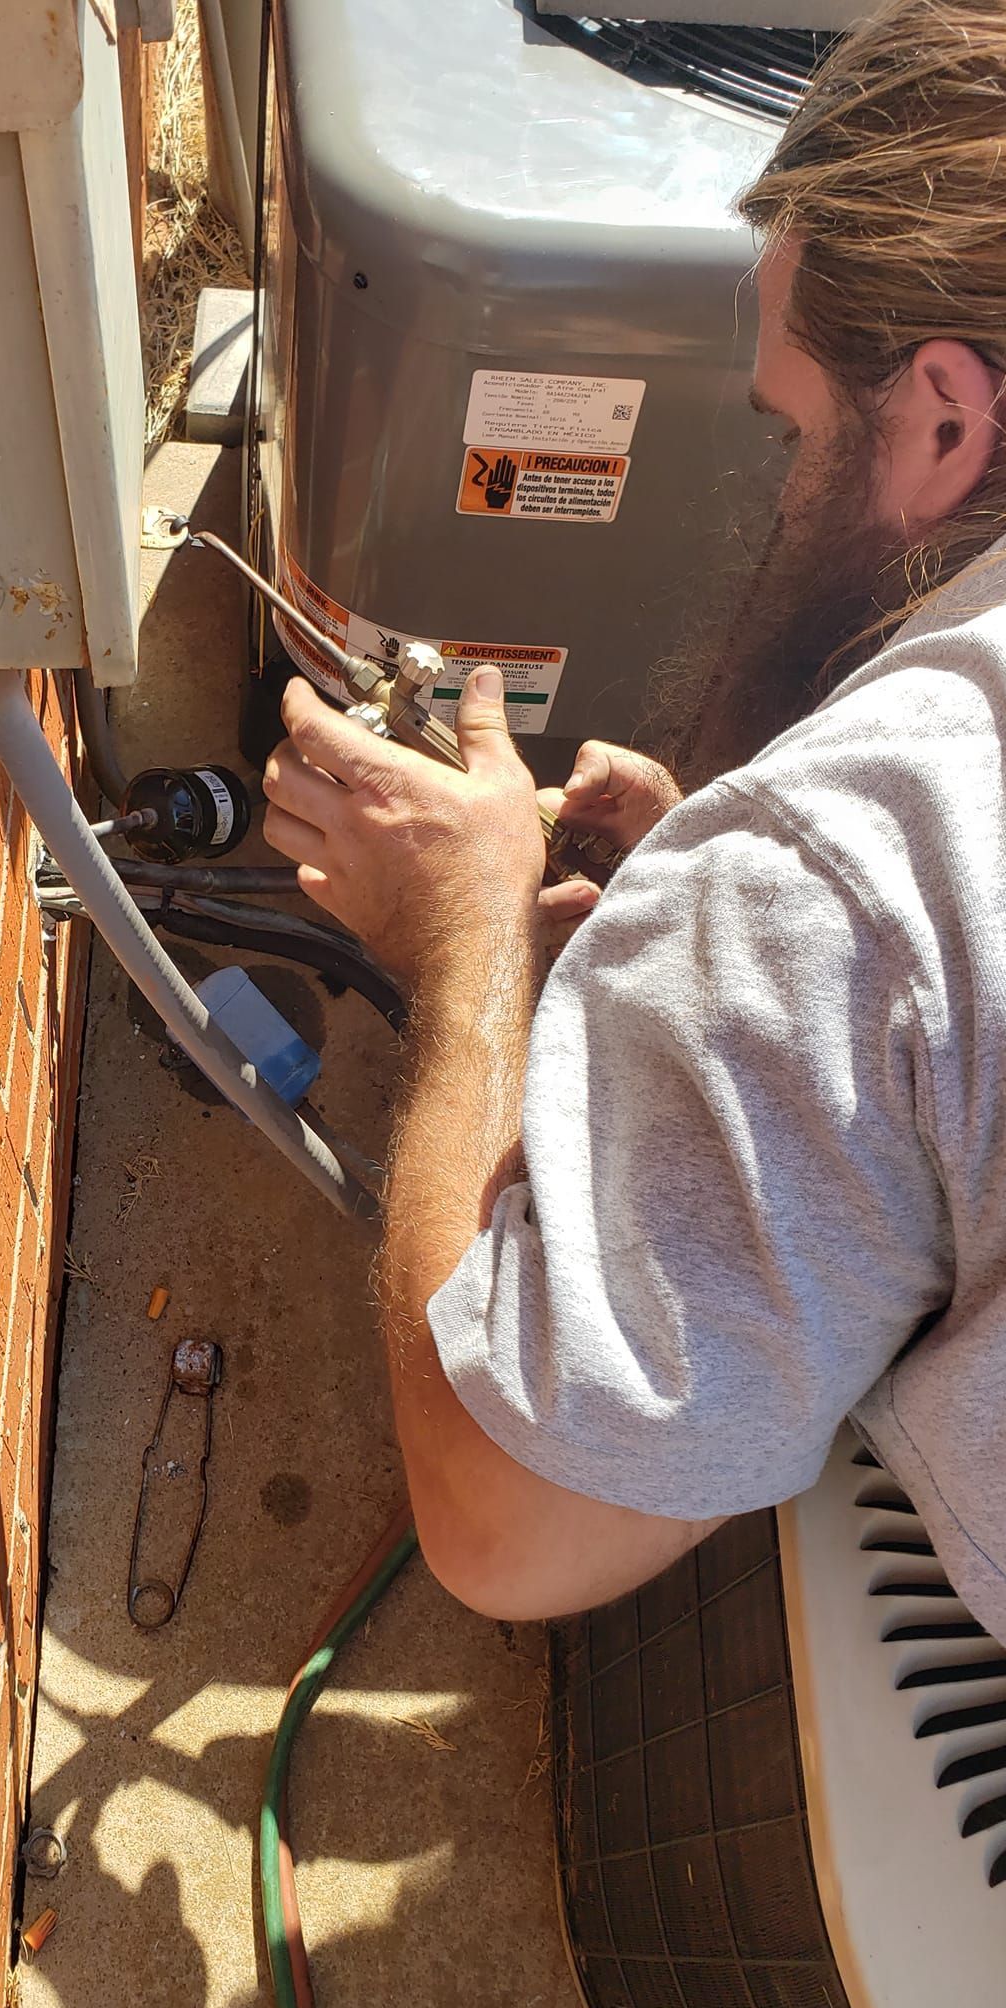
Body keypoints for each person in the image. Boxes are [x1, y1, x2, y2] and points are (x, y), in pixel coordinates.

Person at [260, 0, 1006, 1639]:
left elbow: (507, 1531)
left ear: (947, 418)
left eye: (801, 429)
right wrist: (727, 898)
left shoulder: (867, 855)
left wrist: (468, 963)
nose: (792, 481)